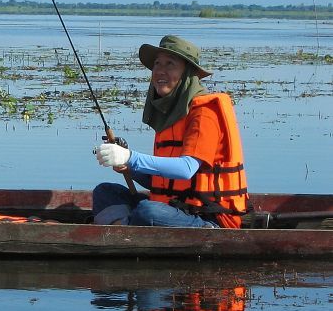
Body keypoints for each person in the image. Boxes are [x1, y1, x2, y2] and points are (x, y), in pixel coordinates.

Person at [91, 35, 250, 228]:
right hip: (174, 208)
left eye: (170, 65)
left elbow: (186, 169)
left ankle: (126, 229)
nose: (160, 71)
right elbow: (162, 181)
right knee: (105, 192)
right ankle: (128, 230)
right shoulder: (173, 112)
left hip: (209, 217)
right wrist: (128, 167)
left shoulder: (205, 114)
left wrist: (130, 157)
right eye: (157, 64)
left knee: (148, 211)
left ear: (187, 73)